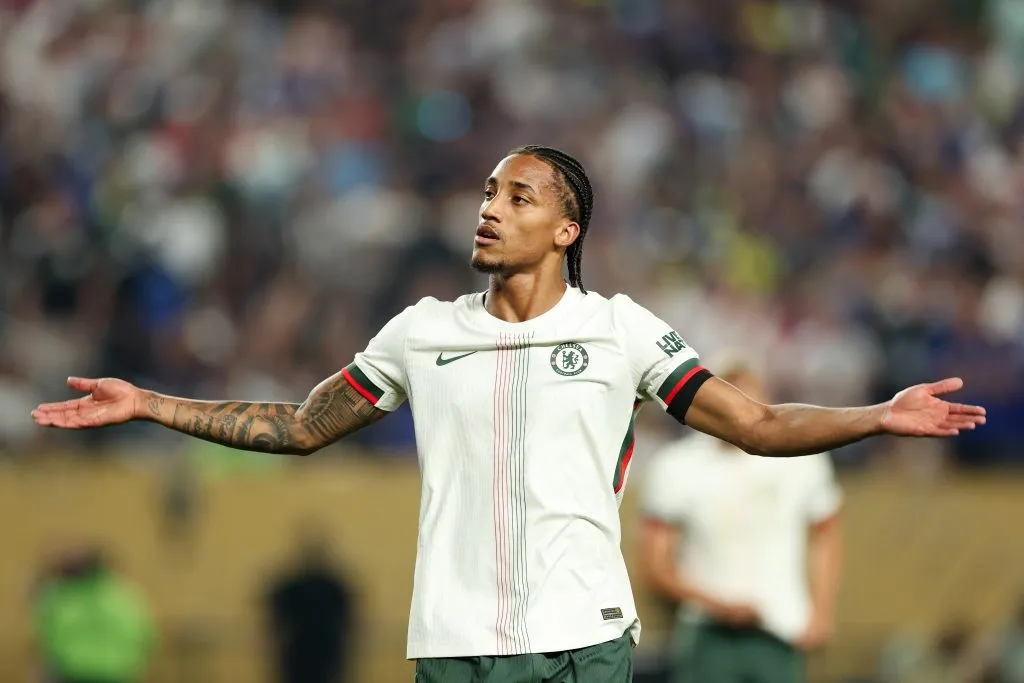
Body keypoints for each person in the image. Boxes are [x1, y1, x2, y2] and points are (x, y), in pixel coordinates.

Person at [32, 145, 986, 683]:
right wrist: (148, 401)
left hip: (583, 638)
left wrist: (876, 414)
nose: (490, 207)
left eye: (518, 196)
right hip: (451, 646)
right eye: (488, 191)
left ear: (566, 230)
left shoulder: (620, 331)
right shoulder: (419, 332)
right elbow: (297, 425)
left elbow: (761, 424)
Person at [639, 356, 843, 683]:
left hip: (782, 626)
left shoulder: (801, 457)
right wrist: (718, 605)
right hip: (706, 633)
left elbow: (827, 534)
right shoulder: (676, 466)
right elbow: (655, 566)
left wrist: (821, 612)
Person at [32, 547, 155, 683]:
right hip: (119, 673)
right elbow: (147, 637)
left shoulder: (60, 598)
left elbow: (46, 640)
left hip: (72, 673)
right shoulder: (126, 596)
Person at [264, 525, 358, 683]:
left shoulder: (292, 586)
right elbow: (348, 620)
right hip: (325, 651)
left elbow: (274, 616)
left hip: (299, 652)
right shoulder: (333, 586)